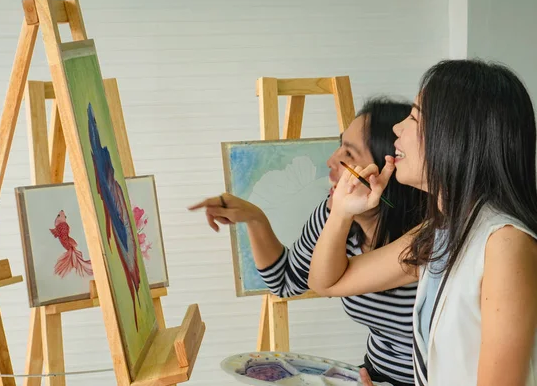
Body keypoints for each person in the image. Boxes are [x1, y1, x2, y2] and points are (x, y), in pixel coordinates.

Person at [308, 59, 537, 386]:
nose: (398, 129)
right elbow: (325, 282)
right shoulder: (442, 231)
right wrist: (343, 211)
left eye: (415, 117)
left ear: (455, 136)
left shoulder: (504, 243)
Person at [189, 97, 428, 386]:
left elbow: (323, 283)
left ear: (390, 167)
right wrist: (255, 218)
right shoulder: (334, 213)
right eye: (340, 145)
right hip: (368, 374)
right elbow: (286, 281)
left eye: (348, 155)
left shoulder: (427, 236)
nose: (331, 161)